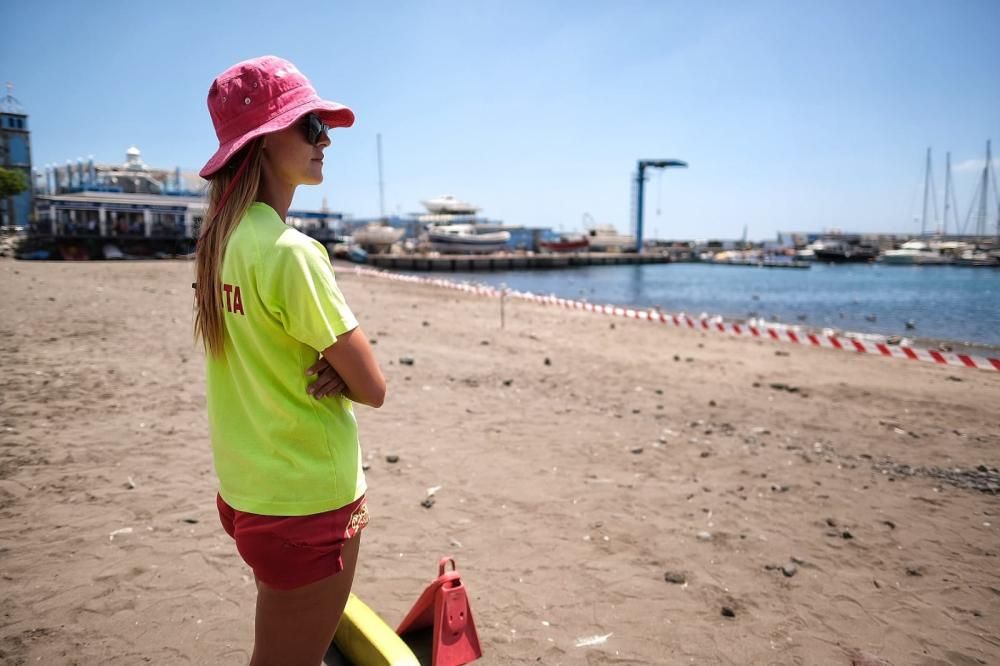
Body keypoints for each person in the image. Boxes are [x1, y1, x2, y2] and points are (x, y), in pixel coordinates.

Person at [193, 55, 386, 666]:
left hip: (249, 487)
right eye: (308, 124)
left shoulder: (220, 241)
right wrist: (345, 372)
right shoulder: (290, 252)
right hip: (307, 497)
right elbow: (374, 387)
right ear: (261, 141)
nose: (324, 139)